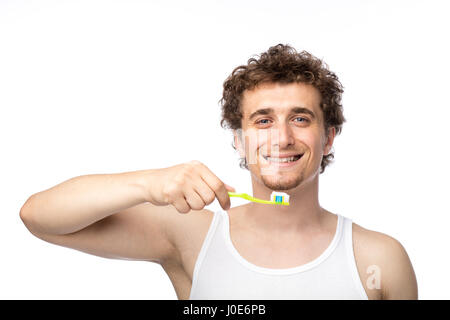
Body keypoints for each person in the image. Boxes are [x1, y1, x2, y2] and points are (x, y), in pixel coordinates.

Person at [20, 44, 418, 300]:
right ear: (238, 140)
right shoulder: (192, 236)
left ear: (328, 137)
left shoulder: (379, 259)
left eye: (300, 118)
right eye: (262, 121)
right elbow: (39, 217)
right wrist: (148, 184)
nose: (281, 137)